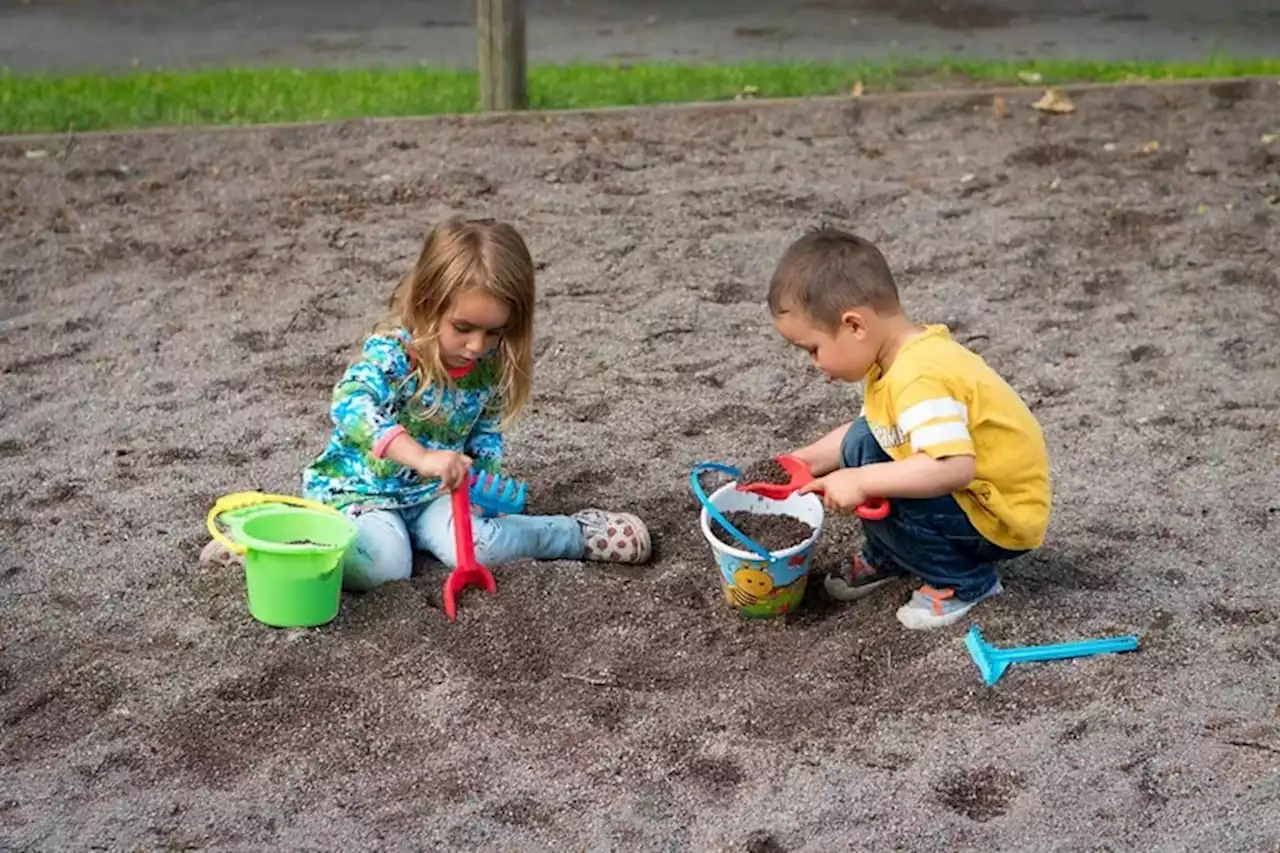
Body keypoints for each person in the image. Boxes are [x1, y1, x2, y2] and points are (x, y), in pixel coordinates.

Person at [203, 218, 650, 590]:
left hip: (434, 495)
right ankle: (270, 543)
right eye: (463, 327)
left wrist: (479, 479)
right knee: (383, 567)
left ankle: (577, 535)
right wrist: (419, 456)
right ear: (426, 304)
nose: (478, 345)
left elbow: (485, 434)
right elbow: (350, 404)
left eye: (494, 332)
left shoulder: (489, 365)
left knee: (479, 548)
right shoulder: (395, 354)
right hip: (364, 493)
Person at [769, 226, 1051, 629]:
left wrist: (863, 481)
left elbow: (952, 467)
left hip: (997, 515)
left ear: (854, 326)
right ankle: (894, 555)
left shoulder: (919, 377)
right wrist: (802, 462)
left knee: (878, 475)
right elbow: (873, 429)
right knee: (864, 444)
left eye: (813, 349)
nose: (814, 363)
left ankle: (965, 581)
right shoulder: (897, 356)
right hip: (973, 495)